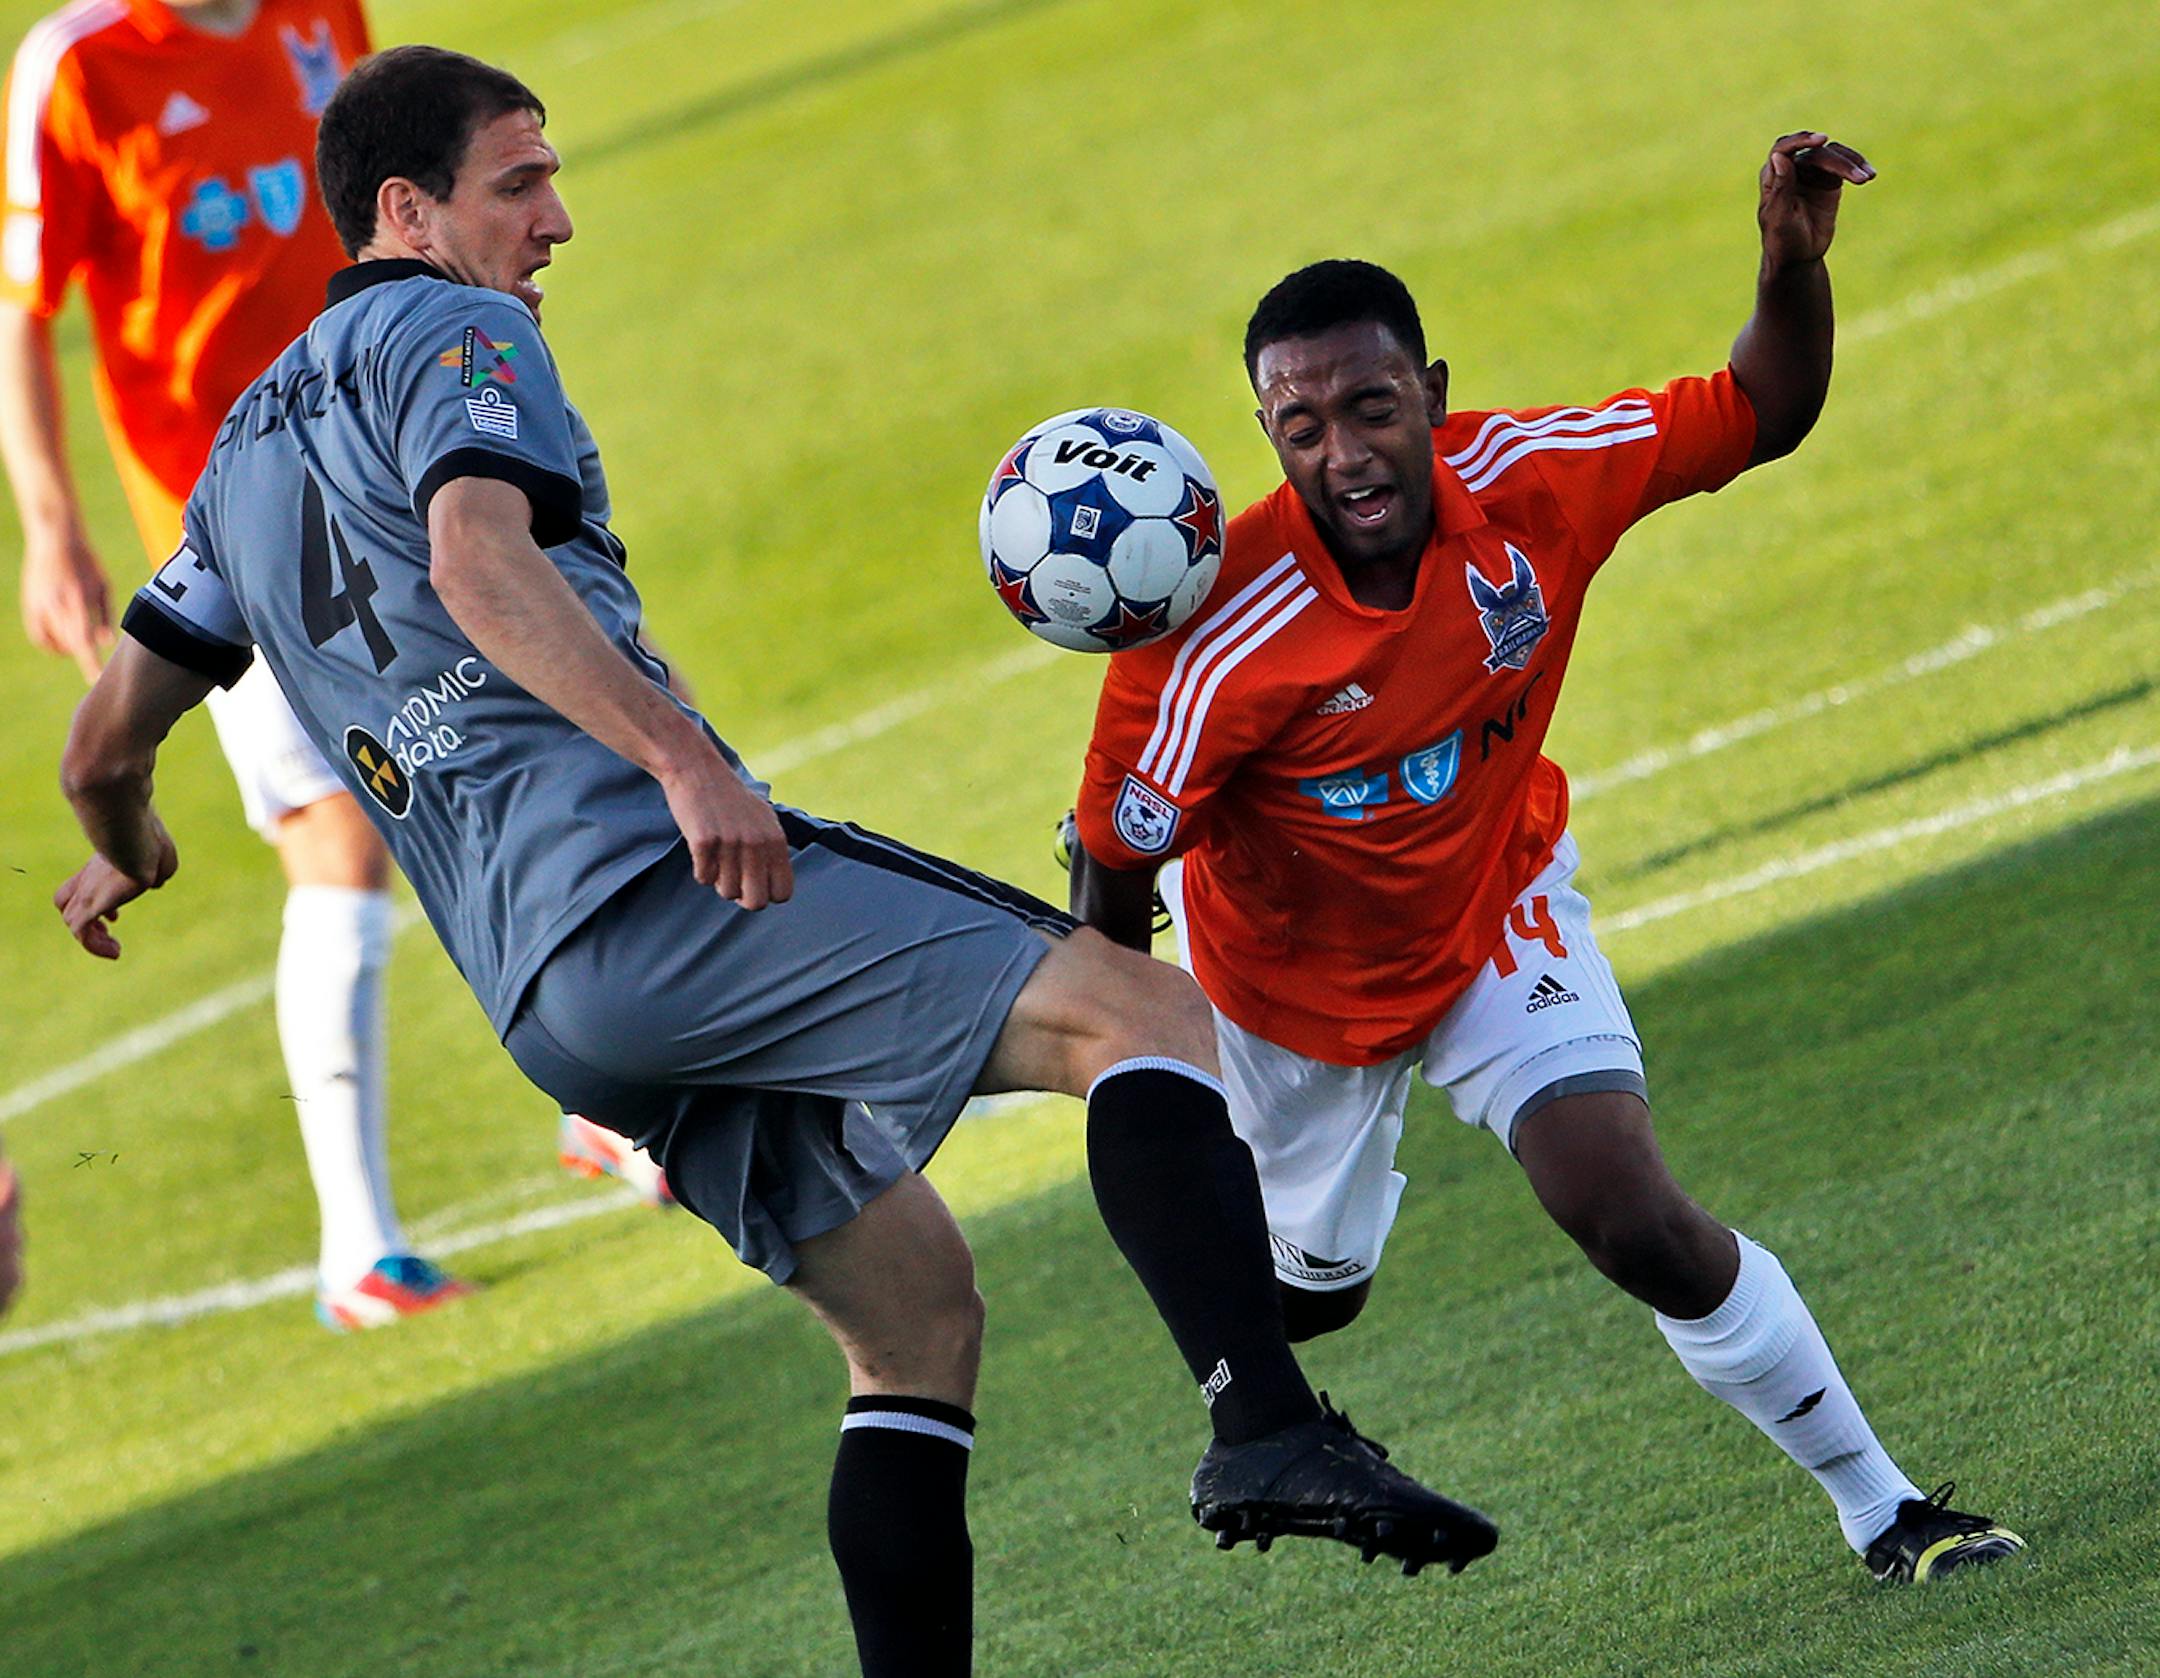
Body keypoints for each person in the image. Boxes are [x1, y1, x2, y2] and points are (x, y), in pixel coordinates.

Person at [53, 46, 1500, 1674]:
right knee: (1142, 1018)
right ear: (409, 209)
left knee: (915, 1318)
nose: (558, 219)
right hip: (651, 881)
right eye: (520, 181)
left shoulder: (236, 457)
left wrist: (127, 849)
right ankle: (1266, 1424)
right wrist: (680, 761)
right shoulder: (458, 330)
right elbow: (475, 555)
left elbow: (101, 744)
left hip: (548, 1006)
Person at [1068, 136, 2024, 1586]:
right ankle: (1293, 1297)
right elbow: (1113, 880)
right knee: (1301, 1308)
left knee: (1624, 1206)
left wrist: (1790, 267)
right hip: (1282, 995)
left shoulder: (1535, 481)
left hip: (1492, 901)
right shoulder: (1202, 642)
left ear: (1433, 398)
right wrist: (1153, 1070)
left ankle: (1886, 1508)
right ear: (1265, 433)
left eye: (1372, 408)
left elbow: (1766, 406)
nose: (1343, 452)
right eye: (1301, 424)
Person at [0, 0, 468, 1328]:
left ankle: (605, 1109)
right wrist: (51, 528)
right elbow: (20, 313)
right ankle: (361, 1247)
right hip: (232, 527)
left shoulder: (316, 13)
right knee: (336, 834)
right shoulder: (77, 71)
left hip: (394, 473)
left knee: (504, 759)